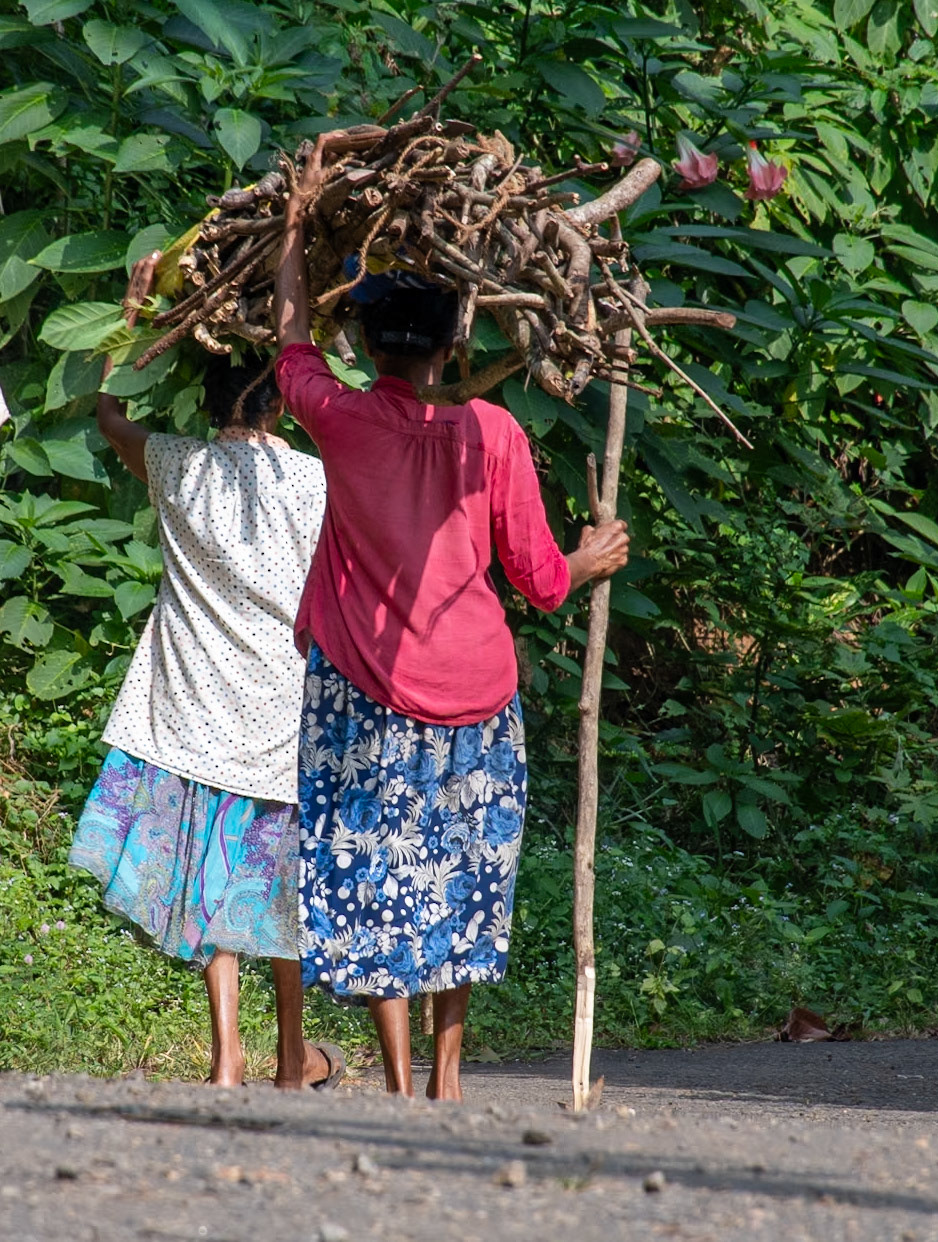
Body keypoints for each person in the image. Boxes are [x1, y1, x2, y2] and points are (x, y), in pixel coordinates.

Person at [273, 141, 632, 1100]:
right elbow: (542, 582)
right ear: (450, 347)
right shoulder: (495, 433)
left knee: (379, 879)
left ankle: (398, 1082)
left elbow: (288, 343)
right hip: (476, 696)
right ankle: (448, 1075)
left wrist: (300, 230)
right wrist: (592, 558)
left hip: (366, 697)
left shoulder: (339, 420)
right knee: (464, 879)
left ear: (372, 345)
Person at [68, 256, 340, 1090]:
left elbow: (107, 412)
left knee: (217, 876)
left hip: (196, 704)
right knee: (280, 881)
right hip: (284, 707)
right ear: (282, 404)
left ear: (209, 401)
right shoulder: (316, 478)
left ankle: (228, 1058)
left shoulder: (176, 465)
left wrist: (133, 309)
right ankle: (293, 1058)